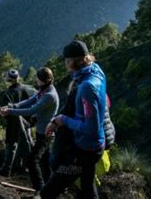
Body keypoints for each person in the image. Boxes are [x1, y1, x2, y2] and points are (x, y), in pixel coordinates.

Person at [42, 40, 107, 199]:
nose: (65, 64)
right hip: (96, 144)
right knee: (87, 186)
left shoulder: (87, 87)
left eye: (66, 61)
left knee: (48, 192)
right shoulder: (96, 70)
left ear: (71, 62)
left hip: (86, 147)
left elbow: (90, 128)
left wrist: (62, 119)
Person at [0, 67, 59, 193]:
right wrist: (13, 106)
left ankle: (40, 189)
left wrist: (10, 111)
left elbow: (31, 109)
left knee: (32, 161)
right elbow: (30, 100)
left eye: (37, 78)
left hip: (46, 134)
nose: (36, 80)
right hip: (42, 132)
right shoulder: (45, 90)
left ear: (42, 80)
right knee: (45, 161)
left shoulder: (49, 95)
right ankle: (49, 189)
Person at [0, 69, 34, 177]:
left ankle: (6, 169)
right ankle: (26, 168)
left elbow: (3, 111)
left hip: (13, 122)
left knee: (11, 145)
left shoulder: (8, 93)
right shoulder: (25, 89)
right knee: (27, 142)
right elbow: (30, 104)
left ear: (8, 79)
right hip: (26, 121)